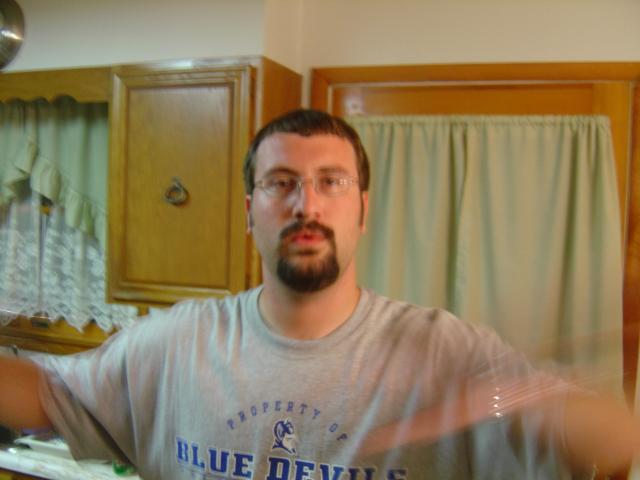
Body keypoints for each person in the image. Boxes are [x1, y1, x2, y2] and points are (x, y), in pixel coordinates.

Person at [0, 109, 638, 479]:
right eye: (281, 182)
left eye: (331, 181)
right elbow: (46, 392)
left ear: (363, 209)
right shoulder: (176, 344)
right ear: (250, 211)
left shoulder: (444, 350)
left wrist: (516, 400)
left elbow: (613, 443)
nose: (306, 204)